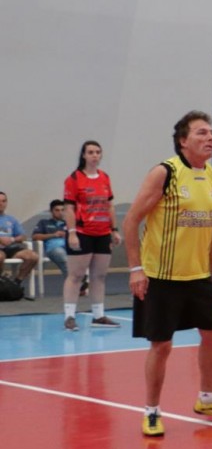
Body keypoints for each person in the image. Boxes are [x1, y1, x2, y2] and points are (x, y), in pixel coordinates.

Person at [122, 111, 212, 438]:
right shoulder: (165, 173)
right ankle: (152, 411)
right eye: (201, 133)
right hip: (162, 276)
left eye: (211, 132)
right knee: (162, 346)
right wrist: (136, 269)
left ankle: (207, 398)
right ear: (183, 141)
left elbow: (209, 225)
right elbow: (130, 221)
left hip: (198, 275)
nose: (210, 137)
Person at [62, 140, 122, 330]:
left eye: (97, 152)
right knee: (76, 275)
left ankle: (98, 316)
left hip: (102, 233)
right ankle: (69, 317)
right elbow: (68, 208)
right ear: (84, 155)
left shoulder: (105, 178)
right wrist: (72, 233)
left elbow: (110, 205)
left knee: (99, 275)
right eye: (90, 152)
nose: (95, 155)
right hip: (82, 232)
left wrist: (114, 229)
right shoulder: (74, 179)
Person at [0, 192, 38, 287]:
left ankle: (17, 282)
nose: (1, 204)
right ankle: (1, 282)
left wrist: (12, 239)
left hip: (10, 248)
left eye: (4, 201)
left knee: (32, 256)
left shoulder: (11, 219)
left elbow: (23, 236)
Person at [32, 199, 70, 279]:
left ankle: (76, 280)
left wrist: (68, 235)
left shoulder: (69, 223)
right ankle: (76, 280)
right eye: (57, 210)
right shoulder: (44, 222)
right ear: (51, 211)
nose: (60, 212)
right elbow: (35, 237)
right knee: (62, 256)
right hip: (54, 248)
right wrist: (54, 235)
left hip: (69, 247)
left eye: (62, 210)